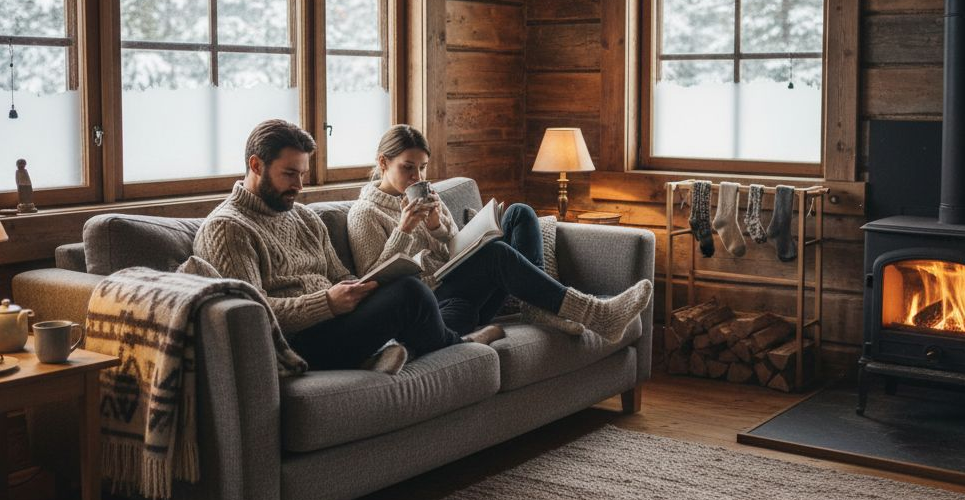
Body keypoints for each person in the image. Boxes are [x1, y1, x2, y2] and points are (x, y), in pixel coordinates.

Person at [193, 119, 500, 375]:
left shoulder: (305, 217)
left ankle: (387, 350)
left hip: (337, 320)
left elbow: (340, 273)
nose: (299, 186)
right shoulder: (227, 228)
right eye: (289, 173)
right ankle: (457, 343)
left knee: (412, 283)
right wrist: (326, 302)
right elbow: (253, 312)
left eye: (302, 174)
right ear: (256, 165)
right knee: (411, 292)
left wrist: (357, 288)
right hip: (297, 342)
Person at [346, 124, 652, 342]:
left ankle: (536, 307)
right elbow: (372, 281)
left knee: (520, 212)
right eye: (408, 168)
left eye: (423, 168)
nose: (418, 177)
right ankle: (595, 313)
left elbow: (453, 252)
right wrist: (404, 230)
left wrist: (438, 226)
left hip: (460, 289)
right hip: (433, 304)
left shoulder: (424, 198)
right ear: (383, 163)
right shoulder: (364, 214)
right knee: (495, 256)